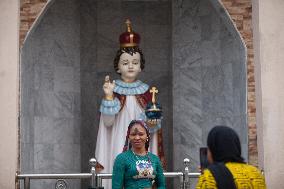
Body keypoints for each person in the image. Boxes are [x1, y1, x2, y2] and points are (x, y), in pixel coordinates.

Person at [95, 19, 165, 188]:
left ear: (141, 66)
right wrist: (109, 97)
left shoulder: (148, 92)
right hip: (117, 140)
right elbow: (108, 123)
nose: (131, 67)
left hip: (142, 144)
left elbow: (153, 127)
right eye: (125, 63)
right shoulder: (114, 90)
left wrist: (152, 122)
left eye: (135, 63)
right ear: (117, 67)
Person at [196, 126, 266, 189]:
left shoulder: (209, 177)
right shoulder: (256, 173)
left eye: (208, 148)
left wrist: (209, 173)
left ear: (213, 150)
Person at [112, 120, 166, 189]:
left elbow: (161, 185)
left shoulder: (155, 159)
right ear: (128, 137)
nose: (137, 138)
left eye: (141, 134)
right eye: (133, 134)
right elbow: (116, 187)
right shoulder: (121, 159)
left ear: (147, 136)